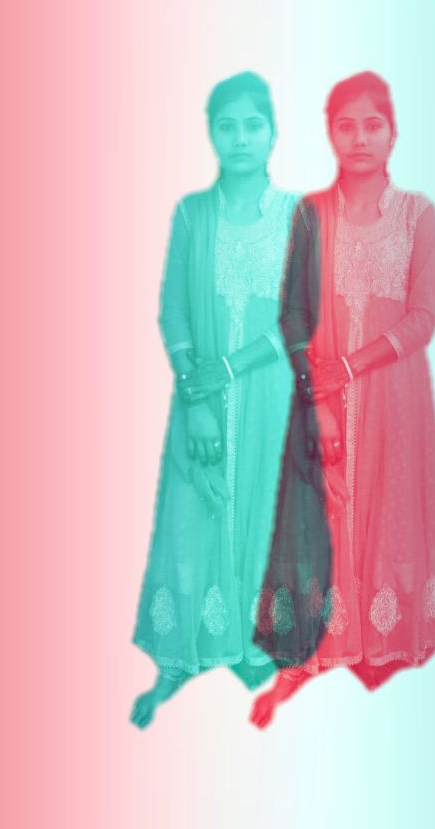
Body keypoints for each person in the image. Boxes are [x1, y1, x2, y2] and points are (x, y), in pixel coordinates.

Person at [250, 71, 435, 728]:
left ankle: (383, 639)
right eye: (346, 125)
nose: (360, 138)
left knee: (389, 504)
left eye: (373, 124)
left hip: (395, 399)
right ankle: (326, 641)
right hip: (321, 395)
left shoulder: (418, 215)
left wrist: (352, 366)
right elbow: (293, 315)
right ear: (329, 134)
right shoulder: (311, 214)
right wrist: (320, 394)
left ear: (394, 132)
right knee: (325, 507)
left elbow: (423, 317)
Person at [130, 72, 298, 729]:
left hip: (271, 398)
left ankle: (252, 642)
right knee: (195, 509)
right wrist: (195, 396)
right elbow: (172, 312)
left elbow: (302, 318)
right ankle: (190, 648)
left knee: (265, 504)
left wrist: (226, 369)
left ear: (274, 132)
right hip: (198, 397)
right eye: (227, 126)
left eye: (253, 125)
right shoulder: (191, 215)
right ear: (209, 133)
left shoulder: (298, 216)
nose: (241, 138)